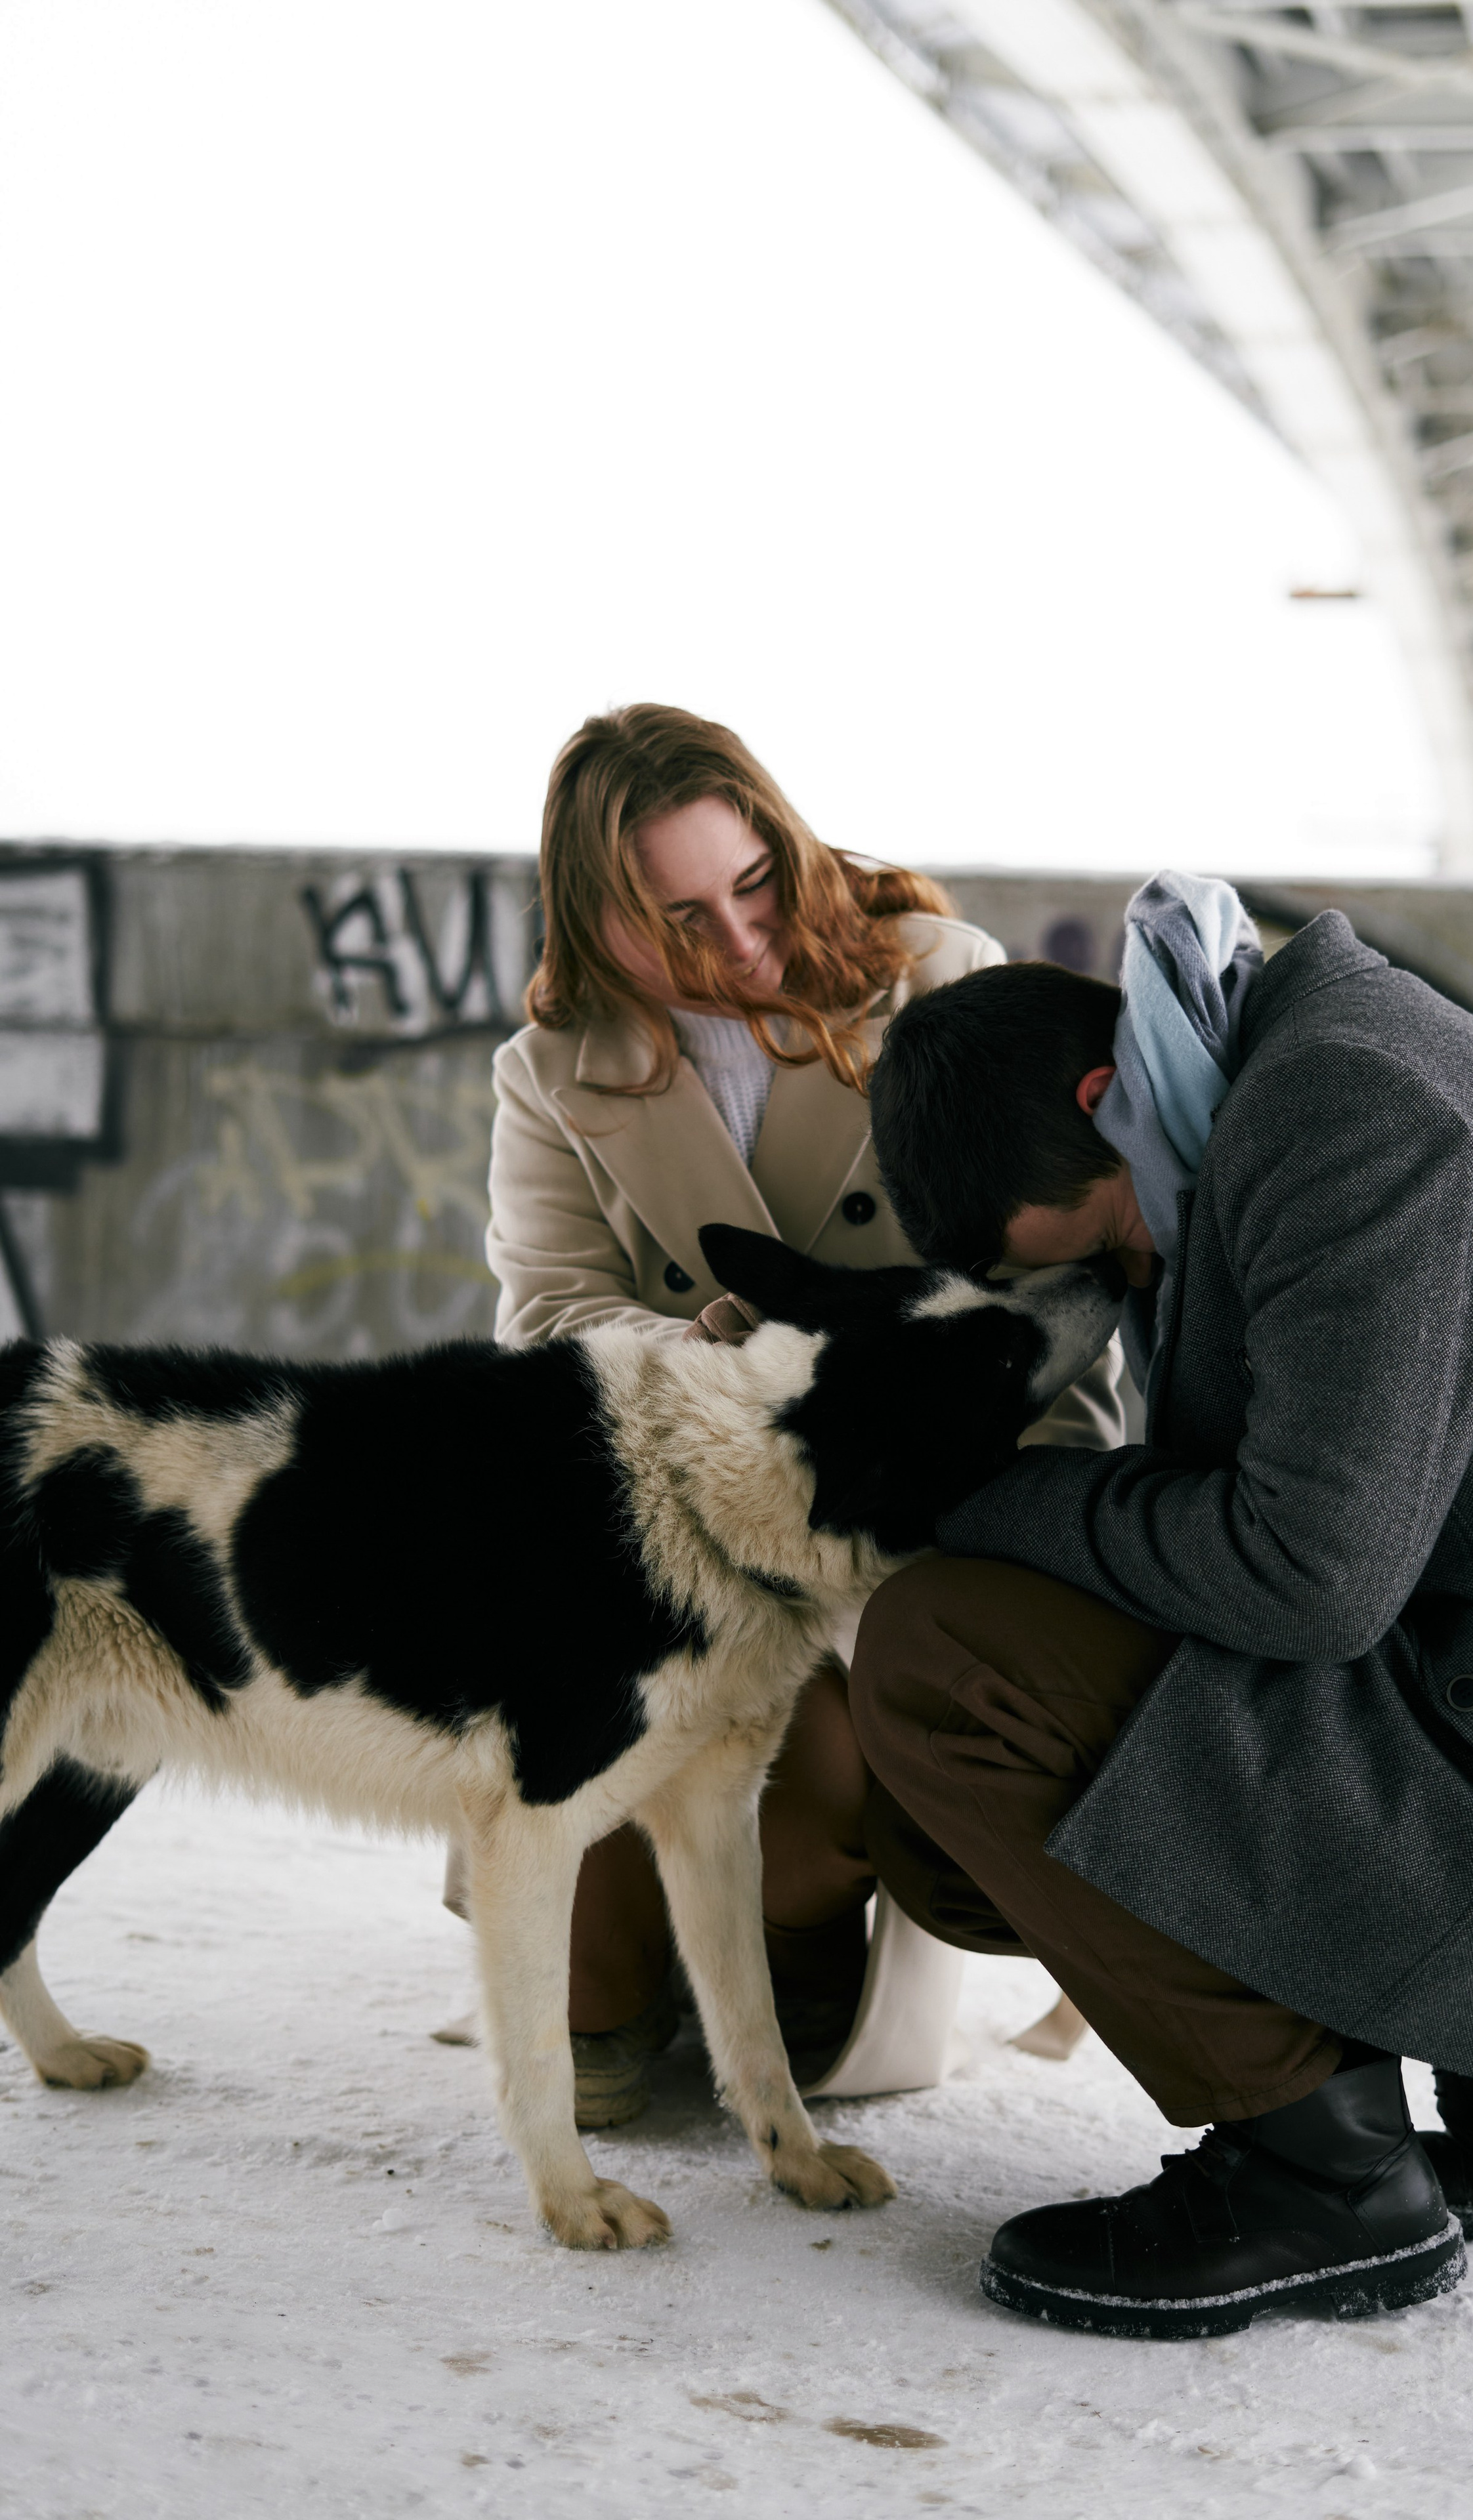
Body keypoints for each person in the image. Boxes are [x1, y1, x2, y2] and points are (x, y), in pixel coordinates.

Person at [849, 870, 1473, 2340]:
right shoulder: (1266, 1083)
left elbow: (1308, 1576)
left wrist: (976, 1498)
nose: (1123, 1278)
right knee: (951, 1829)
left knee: (944, 1656)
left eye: (1101, 1249)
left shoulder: (1345, 1112)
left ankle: (1328, 2180)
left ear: (1103, 1099)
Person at [444, 702, 1123, 2125]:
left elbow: (1047, 1271)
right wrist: (715, 1357)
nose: (744, 943)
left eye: (755, 884)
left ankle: (791, 1934)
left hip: (919, 1498)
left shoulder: (936, 979)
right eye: (679, 917)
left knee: (818, 1732)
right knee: (609, 1663)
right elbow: (550, 1314)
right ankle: (615, 1968)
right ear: (595, 916)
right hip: (694, 1485)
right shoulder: (549, 1067)